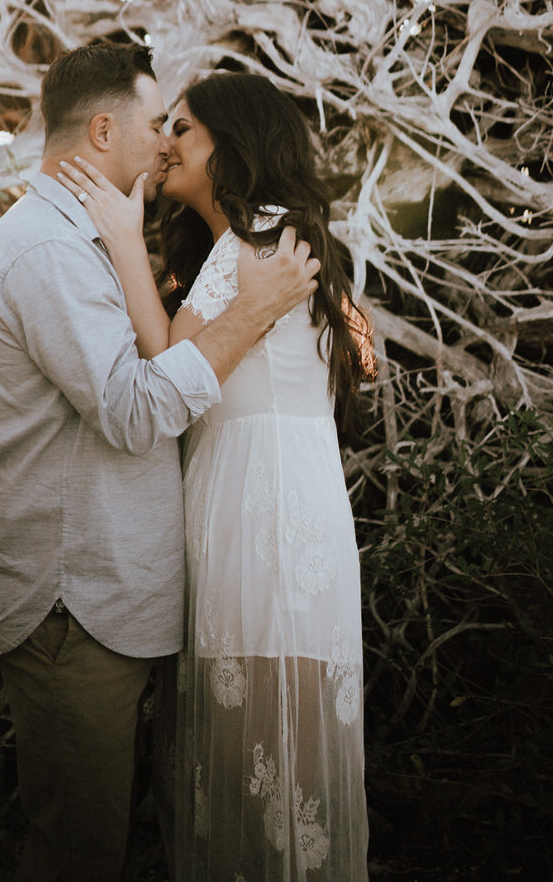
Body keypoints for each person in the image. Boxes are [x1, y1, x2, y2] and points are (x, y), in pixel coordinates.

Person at [0, 43, 321, 882]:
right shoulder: (47, 253)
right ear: (99, 131)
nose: (164, 142)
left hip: (108, 594)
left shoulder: (83, 240)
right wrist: (255, 312)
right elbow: (132, 413)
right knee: (78, 853)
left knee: (108, 842)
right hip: (70, 600)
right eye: (156, 123)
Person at [57, 70, 372, 882]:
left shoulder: (254, 242)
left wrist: (123, 239)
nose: (165, 141)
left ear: (230, 146)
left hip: (258, 498)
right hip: (284, 487)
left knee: (257, 730)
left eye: (184, 129)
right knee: (270, 728)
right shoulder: (268, 241)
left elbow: (168, 364)